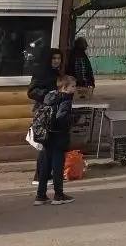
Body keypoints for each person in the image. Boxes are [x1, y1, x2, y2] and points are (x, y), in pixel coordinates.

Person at [34, 74, 76, 205]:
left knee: (45, 167)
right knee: (58, 167)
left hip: (46, 136)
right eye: (72, 86)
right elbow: (61, 118)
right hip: (58, 137)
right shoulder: (66, 100)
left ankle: (40, 196)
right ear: (64, 87)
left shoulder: (49, 96)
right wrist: (72, 120)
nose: (74, 89)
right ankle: (58, 195)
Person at [27, 48, 62, 185]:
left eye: (59, 58)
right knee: (44, 145)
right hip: (43, 112)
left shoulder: (56, 72)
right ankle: (40, 176)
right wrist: (48, 94)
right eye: (54, 58)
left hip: (53, 112)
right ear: (48, 59)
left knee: (50, 144)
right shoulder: (41, 72)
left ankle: (46, 175)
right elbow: (31, 92)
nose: (57, 61)